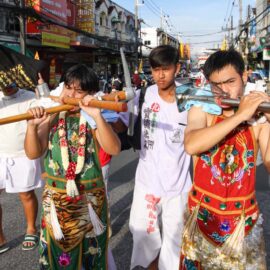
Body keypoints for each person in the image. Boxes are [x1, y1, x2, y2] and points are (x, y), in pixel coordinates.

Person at [24, 64, 121, 269]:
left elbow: (114, 149)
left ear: (90, 94)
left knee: (91, 256)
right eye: (68, 88)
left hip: (89, 201)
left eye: (79, 91)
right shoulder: (53, 115)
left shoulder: (94, 118)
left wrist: (96, 116)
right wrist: (32, 127)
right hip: (56, 201)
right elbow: (33, 152)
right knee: (55, 256)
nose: (71, 94)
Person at [180, 49, 270, 269]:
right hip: (201, 221)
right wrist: (240, 115)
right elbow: (192, 144)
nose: (222, 91)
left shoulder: (259, 120)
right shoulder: (201, 107)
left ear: (245, 77)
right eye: (215, 84)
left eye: (230, 82)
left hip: (243, 225)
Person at [121, 45, 192, 270]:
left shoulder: (191, 96)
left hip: (179, 185)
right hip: (147, 183)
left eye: (166, 69)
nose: (160, 75)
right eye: (155, 69)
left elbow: (224, 107)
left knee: (174, 245)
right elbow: (120, 121)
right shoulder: (143, 95)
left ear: (177, 68)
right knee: (143, 240)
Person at [0, 82, 43, 253]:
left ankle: (31, 229)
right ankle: (0, 237)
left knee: (26, 193)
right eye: (3, 83)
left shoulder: (30, 97)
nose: (7, 86)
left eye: (9, 83)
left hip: (22, 153)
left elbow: (42, 116)